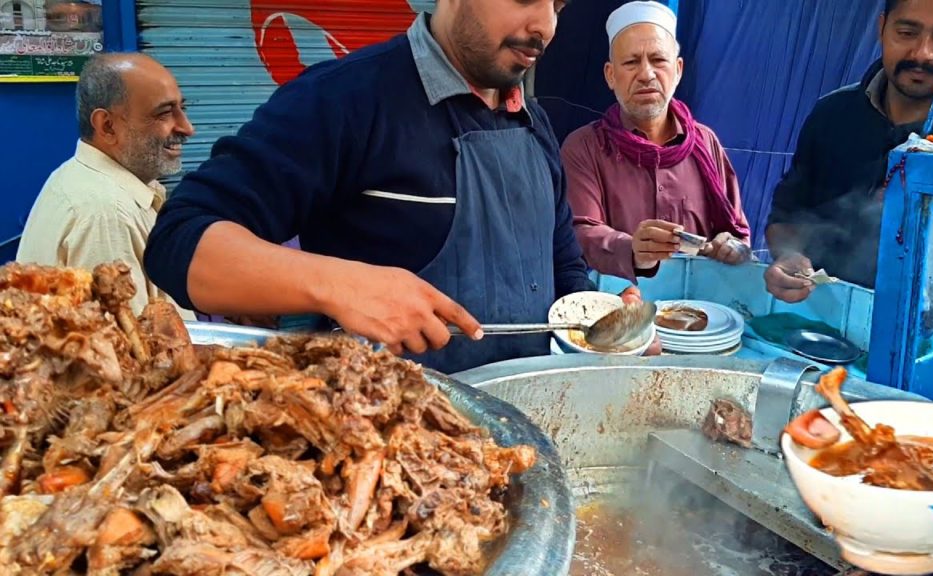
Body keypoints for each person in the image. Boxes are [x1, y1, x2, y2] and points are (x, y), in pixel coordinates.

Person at [143, 0, 649, 374]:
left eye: (558, 4)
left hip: (523, 436)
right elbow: (177, 241)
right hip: (388, 446)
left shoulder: (535, 126)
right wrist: (339, 285)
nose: (545, 26)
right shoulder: (344, 100)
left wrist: (603, 321)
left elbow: (562, 269)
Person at [764, 0, 933, 303]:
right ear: (882, 27)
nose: (922, 54)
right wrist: (789, 255)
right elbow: (788, 212)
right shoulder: (831, 115)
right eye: (906, 32)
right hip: (818, 319)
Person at [561, 1, 751, 283]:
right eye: (631, 62)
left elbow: (737, 233)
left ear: (678, 69)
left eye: (658, 60)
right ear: (610, 75)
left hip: (698, 304)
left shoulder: (705, 143)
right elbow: (578, 233)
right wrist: (632, 250)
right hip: (617, 303)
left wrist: (732, 248)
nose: (646, 74)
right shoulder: (584, 147)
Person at [17, 53, 196, 320]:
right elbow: (131, 341)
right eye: (164, 113)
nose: (187, 128)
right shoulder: (106, 211)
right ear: (108, 126)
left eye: (182, 108)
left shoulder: (85, 179)